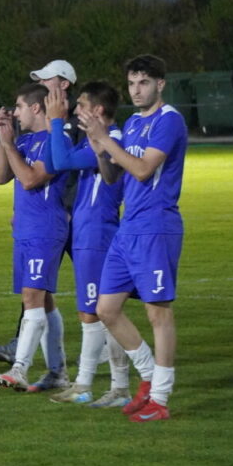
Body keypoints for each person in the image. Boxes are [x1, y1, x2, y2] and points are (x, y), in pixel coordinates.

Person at [79, 54, 187, 422]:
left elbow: (142, 170)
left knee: (158, 313)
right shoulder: (131, 123)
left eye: (143, 82)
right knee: (106, 309)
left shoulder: (169, 120)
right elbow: (113, 177)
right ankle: (148, 376)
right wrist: (99, 147)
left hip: (156, 227)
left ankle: (160, 397)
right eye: (131, 83)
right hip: (129, 229)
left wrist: (105, 141)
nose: (136, 90)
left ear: (160, 84)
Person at [44, 83, 132, 408]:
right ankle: (105, 386)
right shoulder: (99, 140)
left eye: (81, 105)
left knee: (97, 313)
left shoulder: (113, 139)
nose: (75, 110)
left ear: (97, 110)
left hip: (98, 235)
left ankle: (95, 386)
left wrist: (55, 120)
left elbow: (59, 161)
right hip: (86, 234)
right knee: (94, 313)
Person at [0, 59, 78, 366]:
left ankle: (20, 368)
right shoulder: (25, 140)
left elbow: (30, 179)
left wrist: (10, 146)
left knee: (36, 298)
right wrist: (5, 141)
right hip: (27, 229)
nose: (14, 112)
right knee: (43, 299)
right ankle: (57, 370)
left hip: (51, 226)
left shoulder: (61, 135)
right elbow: (0, 177)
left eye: (19, 107)